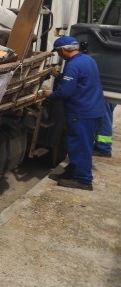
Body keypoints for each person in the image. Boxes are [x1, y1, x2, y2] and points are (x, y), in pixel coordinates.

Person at [42, 36, 105, 190]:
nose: (59, 55)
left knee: (79, 146)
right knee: (81, 145)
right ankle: (72, 171)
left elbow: (66, 92)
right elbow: (80, 80)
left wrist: (49, 95)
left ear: (63, 50)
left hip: (80, 111)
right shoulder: (87, 60)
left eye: (58, 52)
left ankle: (83, 180)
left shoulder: (72, 65)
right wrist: (58, 75)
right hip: (93, 109)